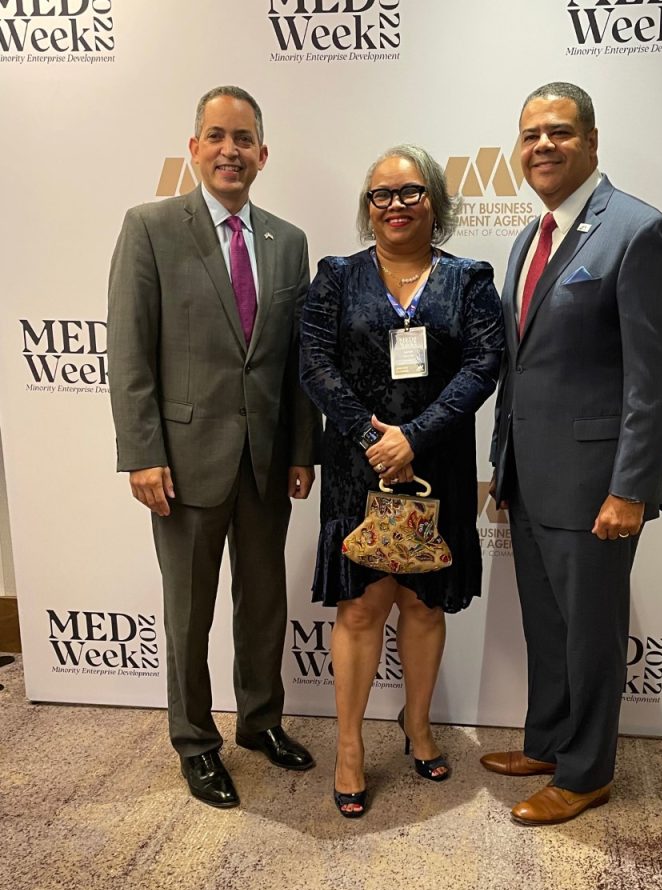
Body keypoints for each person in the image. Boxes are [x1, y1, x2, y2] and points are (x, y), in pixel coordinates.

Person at [107, 86, 322, 808]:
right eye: (216, 136)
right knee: (188, 611)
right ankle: (196, 742)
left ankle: (260, 721)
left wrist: (302, 448)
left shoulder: (288, 242)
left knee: (263, 604)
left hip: (266, 462)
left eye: (244, 139)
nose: (231, 150)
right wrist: (141, 452)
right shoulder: (151, 227)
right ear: (194, 148)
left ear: (263, 154)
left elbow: (296, 361)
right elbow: (131, 352)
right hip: (183, 463)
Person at [482, 82, 662, 825]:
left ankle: (587, 772)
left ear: (593, 142)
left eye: (560, 132)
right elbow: (525, 364)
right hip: (531, 479)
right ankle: (547, 741)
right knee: (548, 625)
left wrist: (631, 487)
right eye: (531, 132)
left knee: (593, 631)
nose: (543, 145)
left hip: (597, 483)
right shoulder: (529, 237)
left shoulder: (638, 232)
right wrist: (501, 463)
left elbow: (656, 380)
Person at [300, 145, 504, 818]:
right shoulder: (336, 276)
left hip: (436, 464)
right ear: (367, 207)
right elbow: (315, 366)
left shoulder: (470, 279)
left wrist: (412, 438)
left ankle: (418, 727)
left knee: (422, 604)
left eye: (411, 192)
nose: (395, 205)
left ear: (436, 203)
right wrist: (373, 437)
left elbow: (482, 364)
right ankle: (352, 747)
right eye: (381, 195)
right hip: (358, 469)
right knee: (360, 609)